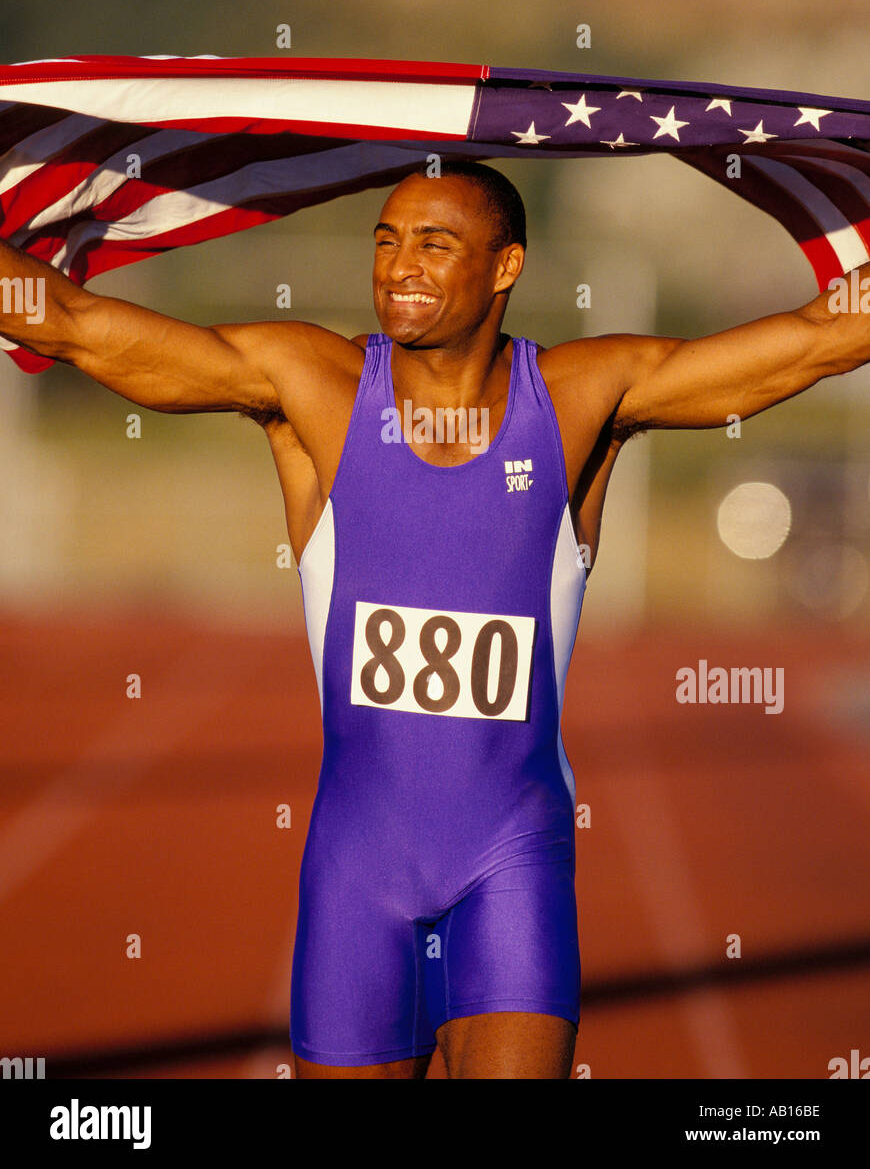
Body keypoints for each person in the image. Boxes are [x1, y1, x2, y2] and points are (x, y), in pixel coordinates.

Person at [1, 161, 865, 1079]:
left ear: (506, 267)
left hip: (512, 863)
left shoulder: (582, 396)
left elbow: (821, 339)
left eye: (434, 243)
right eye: (386, 240)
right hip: (356, 875)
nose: (398, 265)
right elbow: (72, 322)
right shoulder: (312, 384)